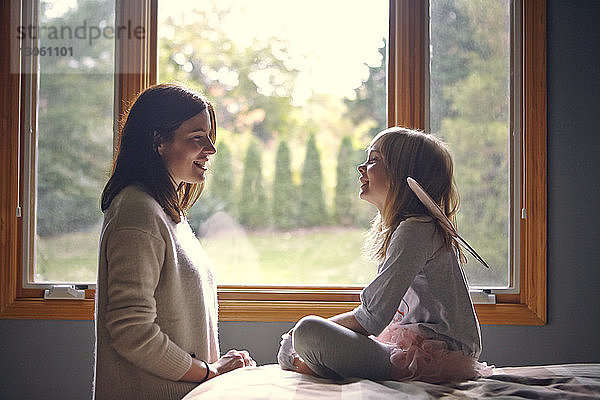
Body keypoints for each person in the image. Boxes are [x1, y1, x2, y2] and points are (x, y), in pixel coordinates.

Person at [278, 127, 493, 383]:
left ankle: (311, 365)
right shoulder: (410, 229)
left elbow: (372, 318)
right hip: (415, 347)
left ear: (401, 175)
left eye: (373, 160)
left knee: (306, 330)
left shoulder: (415, 230)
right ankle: (316, 364)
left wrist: (294, 337)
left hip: (435, 358)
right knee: (309, 334)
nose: (361, 167)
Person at [94, 83, 254, 400]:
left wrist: (212, 374)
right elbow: (133, 333)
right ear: (159, 141)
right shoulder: (137, 213)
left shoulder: (166, 213)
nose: (211, 148)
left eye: (209, 136)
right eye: (197, 138)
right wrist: (211, 371)